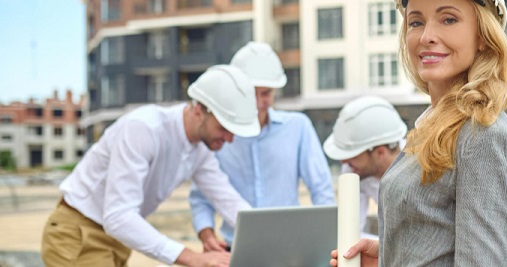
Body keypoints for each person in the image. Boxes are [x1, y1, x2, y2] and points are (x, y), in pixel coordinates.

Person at [331, 0, 507, 265]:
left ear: (484, 36)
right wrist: (387, 257)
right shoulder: (432, 125)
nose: (427, 36)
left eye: (448, 19)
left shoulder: (483, 133)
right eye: (416, 22)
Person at [41, 65, 261, 267]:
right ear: (198, 111)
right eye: (224, 128)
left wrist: (267, 239)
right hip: (79, 232)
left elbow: (227, 198)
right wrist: (192, 258)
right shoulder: (144, 128)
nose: (230, 139)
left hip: (117, 239)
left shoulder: (201, 150)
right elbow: (118, 216)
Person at [189, 42, 335, 252]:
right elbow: (202, 195)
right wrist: (207, 234)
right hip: (233, 248)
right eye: (251, 93)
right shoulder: (217, 136)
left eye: (265, 93)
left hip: (289, 249)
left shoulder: (298, 127)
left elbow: (321, 190)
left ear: (275, 91)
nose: (257, 102)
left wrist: (325, 240)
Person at [323, 96, 407, 237]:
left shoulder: (419, 168)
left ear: (380, 152)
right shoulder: (353, 169)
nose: (344, 162)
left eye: (353, 155)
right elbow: (350, 231)